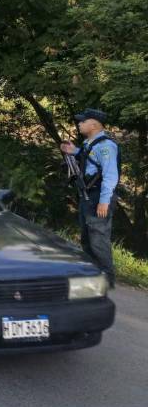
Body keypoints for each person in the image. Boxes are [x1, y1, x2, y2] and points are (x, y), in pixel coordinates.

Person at [60, 108, 119, 287]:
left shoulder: (106, 146)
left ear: (93, 125)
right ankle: (93, 276)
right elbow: (90, 158)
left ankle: (107, 280)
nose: (79, 124)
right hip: (87, 196)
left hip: (99, 197)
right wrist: (74, 151)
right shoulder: (89, 144)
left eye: (83, 121)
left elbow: (110, 175)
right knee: (87, 239)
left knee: (98, 240)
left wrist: (104, 201)